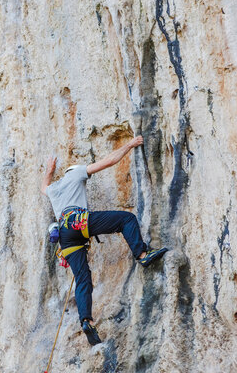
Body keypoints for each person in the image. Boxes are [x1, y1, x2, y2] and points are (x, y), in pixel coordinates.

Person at [41, 135, 168, 346]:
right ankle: (142, 255)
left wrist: (49, 170)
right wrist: (130, 143)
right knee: (126, 219)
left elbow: (43, 187)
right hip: (78, 222)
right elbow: (109, 161)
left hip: (65, 237)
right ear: (74, 170)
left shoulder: (54, 189)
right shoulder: (75, 174)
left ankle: (87, 321)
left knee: (82, 279)